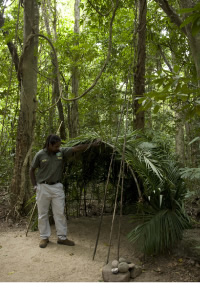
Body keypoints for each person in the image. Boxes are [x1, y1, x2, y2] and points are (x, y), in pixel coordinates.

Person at [29, 134, 100, 248]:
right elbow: (31, 170)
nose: (58, 148)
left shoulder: (61, 152)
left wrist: (92, 145)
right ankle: (44, 237)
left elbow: (76, 148)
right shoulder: (40, 154)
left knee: (60, 213)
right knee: (42, 214)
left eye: (59, 146)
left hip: (57, 186)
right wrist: (35, 186)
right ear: (49, 144)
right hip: (43, 187)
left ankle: (62, 238)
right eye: (56, 146)